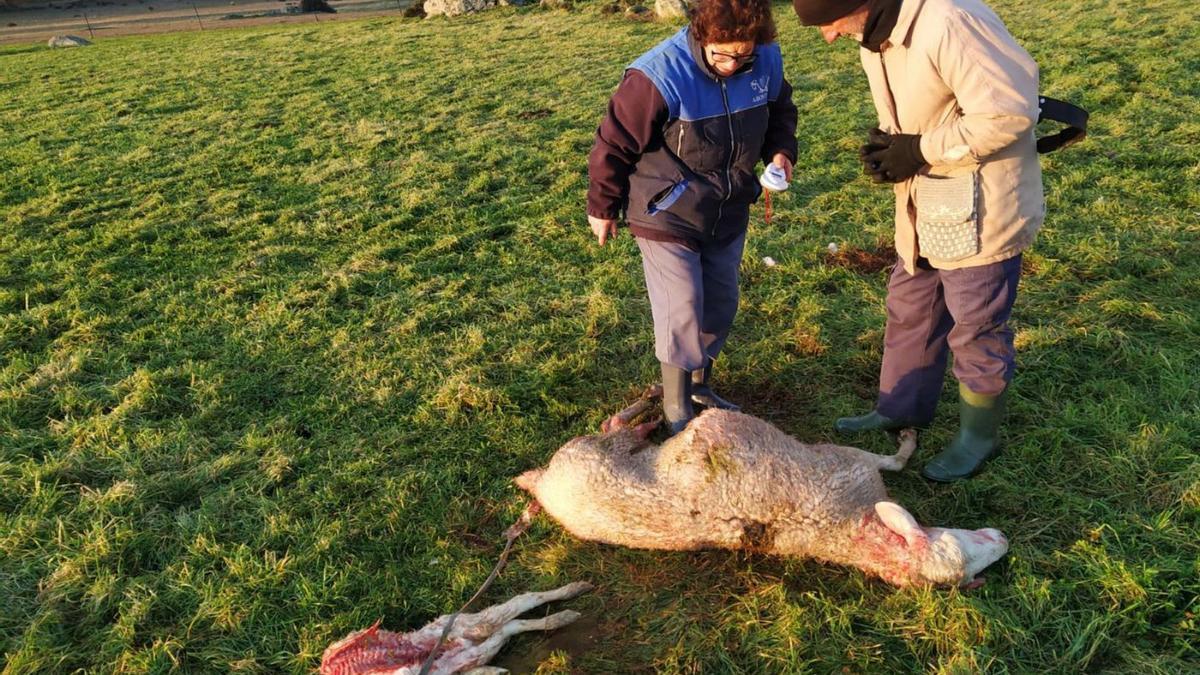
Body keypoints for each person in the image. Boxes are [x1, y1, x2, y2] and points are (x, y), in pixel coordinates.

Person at [793, 0, 1043, 480]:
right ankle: (901, 406)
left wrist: (920, 149)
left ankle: (978, 437)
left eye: (830, 23)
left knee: (976, 324)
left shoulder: (950, 22)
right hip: (924, 203)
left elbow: (1011, 111)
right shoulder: (876, 37)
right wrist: (890, 145)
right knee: (911, 302)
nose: (828, 38)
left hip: (982, 205)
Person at [587, 0, 798, 434]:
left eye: (743, 56)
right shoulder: (657, 76)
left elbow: (780, 111)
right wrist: (603, 206)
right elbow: (612, 143)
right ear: (702, 36)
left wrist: (782, 151)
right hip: (666, 210)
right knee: (681, 307)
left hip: (728, 207)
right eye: (721, 53)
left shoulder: (766, 60)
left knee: (720, 304)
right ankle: (677, 409)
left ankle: (700, 386)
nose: (731, 64)